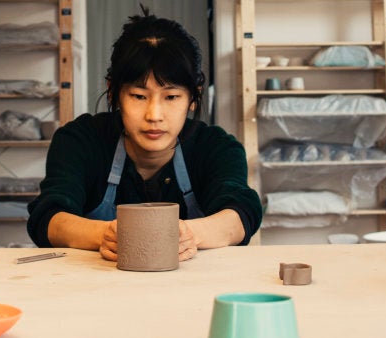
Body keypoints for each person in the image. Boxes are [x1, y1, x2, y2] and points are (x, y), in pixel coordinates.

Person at [27, 6, 262, 261]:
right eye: (139, 96)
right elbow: (48, 218)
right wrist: (104, 234)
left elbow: (242, 213)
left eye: (171, 97)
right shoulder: (79, 141)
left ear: (194, 97)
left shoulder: (217, 147)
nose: (154, 115)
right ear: (114, 92)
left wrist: (189, 234)